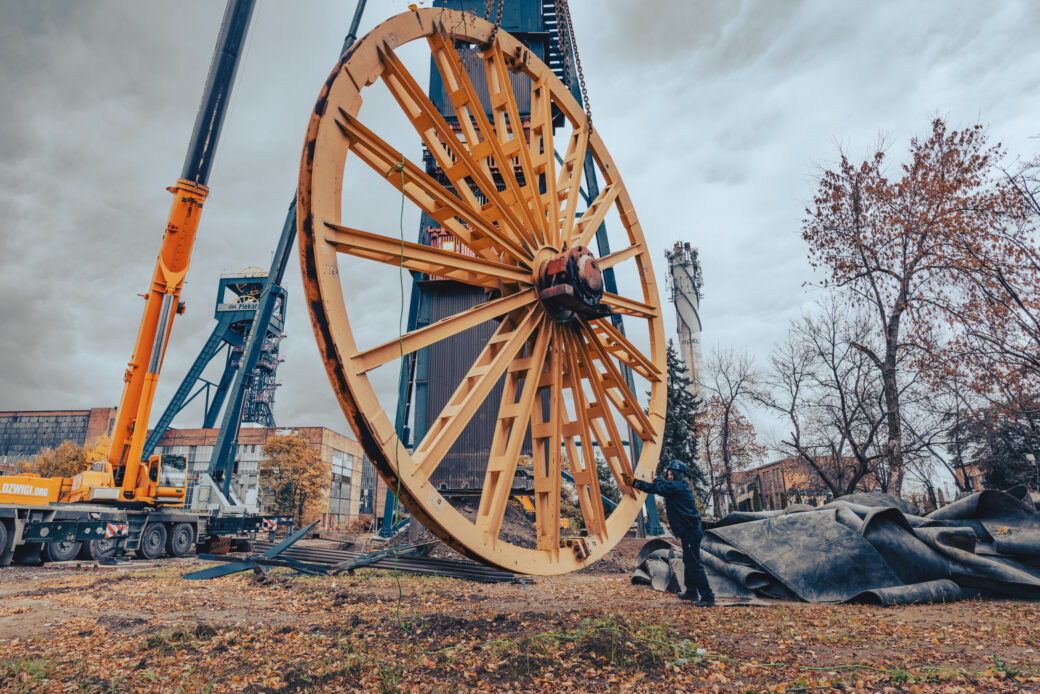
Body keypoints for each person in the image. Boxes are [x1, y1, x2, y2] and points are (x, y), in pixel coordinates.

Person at [623, 460, 715, 607]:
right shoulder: (678, 485)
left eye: (671, 474)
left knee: (694, 564)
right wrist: (655, 478)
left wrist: (635, 483)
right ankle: (691, 591)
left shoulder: (677, 487)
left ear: (678, 474)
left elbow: (656, 488)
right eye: (668, 474)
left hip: (691, 532)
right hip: (689, 531)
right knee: (689, 561)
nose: (669, 476)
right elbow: (663, 484)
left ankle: (708, 597)